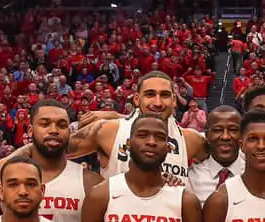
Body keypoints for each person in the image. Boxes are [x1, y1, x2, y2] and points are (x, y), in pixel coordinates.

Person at [32, 71, 205, 182]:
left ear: (174, 100)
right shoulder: (108, 130)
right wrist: (12, 163)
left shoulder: (191, 139)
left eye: (165, 95)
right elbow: (50, 148)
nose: (158, 102)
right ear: (136, 99)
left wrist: (115, 114)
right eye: (150, 95)